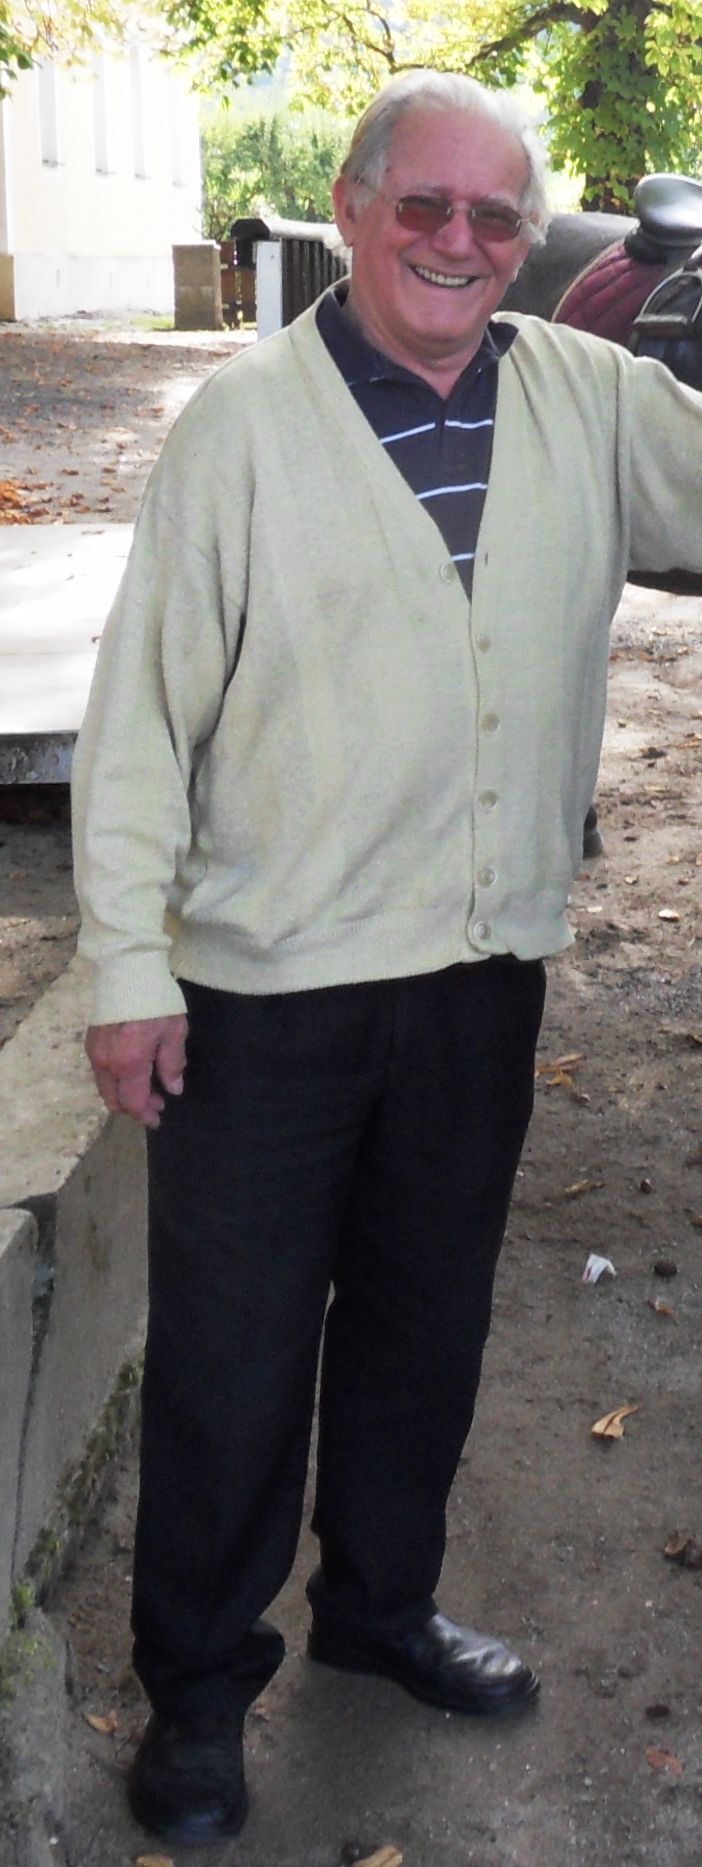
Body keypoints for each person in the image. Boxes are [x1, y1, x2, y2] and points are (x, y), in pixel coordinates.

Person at [72, 69, 702, 1848]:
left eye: (495, 216)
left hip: (481, 971)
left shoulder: (588, 397)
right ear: (350, 210)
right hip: (264, 988)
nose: (456, 240)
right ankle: (200, 1690)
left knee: (425, 1322)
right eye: (422, 204)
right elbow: (141, 722)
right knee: (234, 1358)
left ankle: (377, 1609)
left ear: (529, 240)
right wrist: (125, 967)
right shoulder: (244, 427)